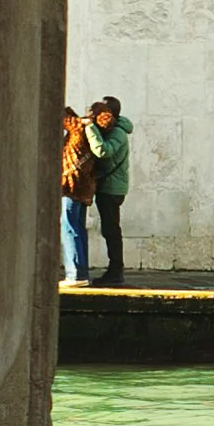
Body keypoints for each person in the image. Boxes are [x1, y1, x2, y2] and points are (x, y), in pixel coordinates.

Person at [85, 95, 133, 286]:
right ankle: (114, 270)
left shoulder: (118, 133)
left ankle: (116, 271)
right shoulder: (113, 129)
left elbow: (103, 151)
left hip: (113, 189)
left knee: (112, 229)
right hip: (108, 186)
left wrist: (89, 128)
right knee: (109, 229)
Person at [58, 108, 97, 287]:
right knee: (79, 229)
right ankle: (81, 273)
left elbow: (64, 119)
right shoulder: (91, 132)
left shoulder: (78, 131)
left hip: (72, 187)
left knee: (69, 228)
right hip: (84, 188)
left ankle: (74, 274)